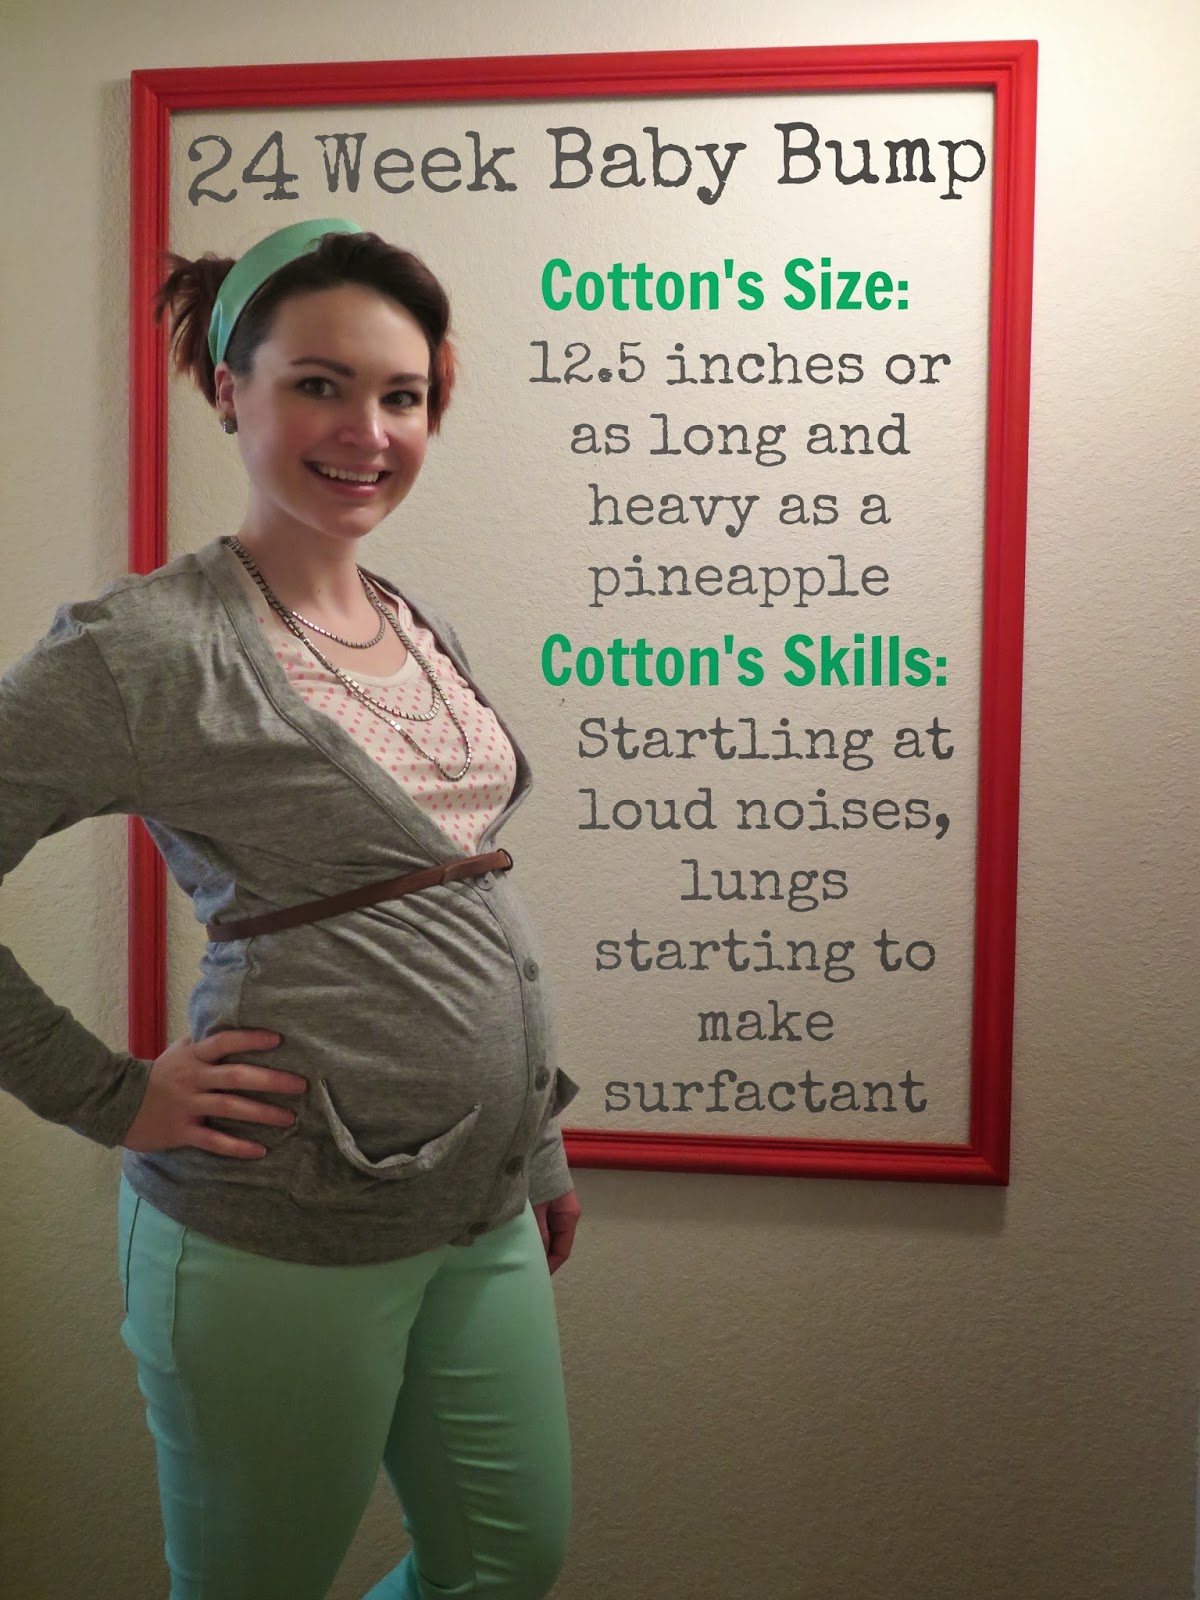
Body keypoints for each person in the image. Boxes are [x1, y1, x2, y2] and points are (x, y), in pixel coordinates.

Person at [0, 216, 581, 1600]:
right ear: (230, 389)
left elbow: (461, 904)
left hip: (480, 1203)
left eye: (403, 395)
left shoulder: (410, 620)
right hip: (280, 1216)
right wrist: (110, 1094)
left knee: (508, 1561)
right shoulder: (143, 649)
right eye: (320, 384)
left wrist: (538, 1149)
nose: (368, 432)